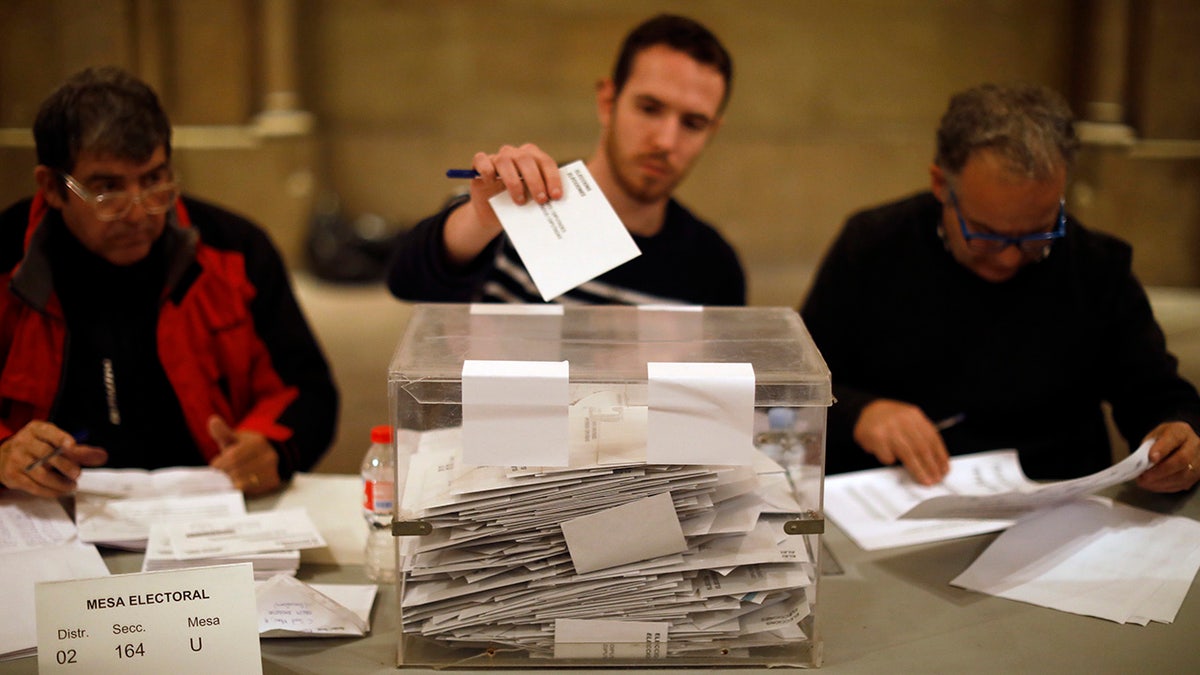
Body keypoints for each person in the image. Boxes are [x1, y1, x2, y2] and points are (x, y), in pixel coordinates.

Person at [800, 83, 1200, 493]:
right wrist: (860, 412)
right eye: (987, 234)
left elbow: (1157, 395)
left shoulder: (1096, 266)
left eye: (1037, 234)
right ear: (941, 185)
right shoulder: (872, 246)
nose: (1009, 258)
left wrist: (1178, 434)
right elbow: (796, 387)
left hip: (1056, 505)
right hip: (895, 501)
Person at [0, 66, 338, 498]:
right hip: (47, 518)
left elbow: (308, 390)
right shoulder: (7, 257)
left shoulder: (235, 249)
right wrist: (4, 452)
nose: (140, 213)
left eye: (155, 180)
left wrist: (271, 447)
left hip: (204, 512)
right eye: (108, 189)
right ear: (51, 187)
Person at [387, 13, 745, 305]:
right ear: (608, 102)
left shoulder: (713, 268)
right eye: (649, 108)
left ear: (711, 131)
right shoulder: (511, 202)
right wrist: (481, 219)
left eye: (693, 123)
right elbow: (407, 282)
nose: (666, 141)